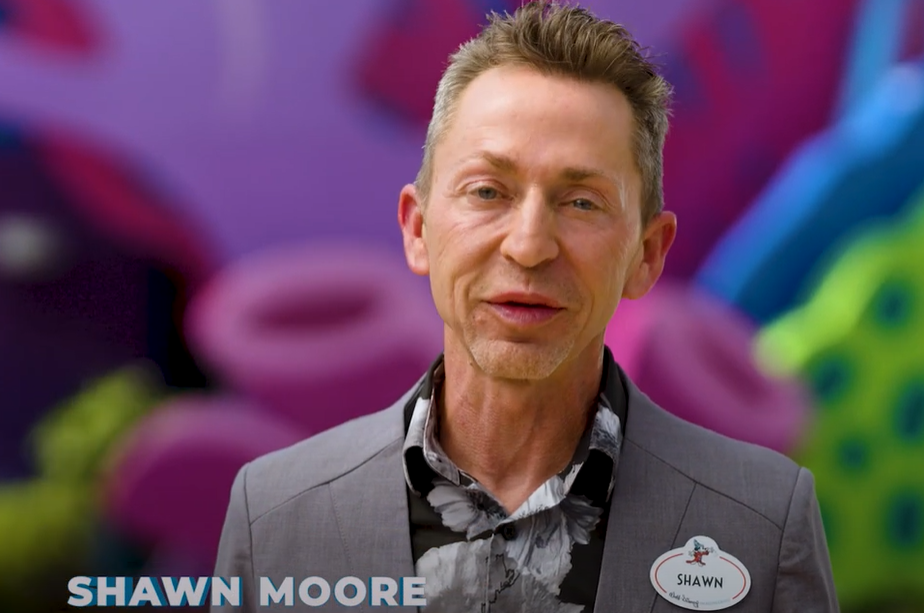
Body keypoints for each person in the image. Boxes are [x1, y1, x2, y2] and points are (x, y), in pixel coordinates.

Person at [212, 2, 839, 611]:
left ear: (647, 254)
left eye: (582, 202)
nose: (531, 245)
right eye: (488, 191)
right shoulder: (273, 515)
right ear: (417, 229)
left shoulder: (763, 521)